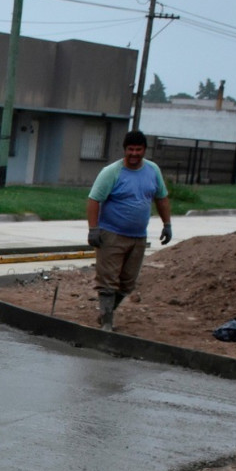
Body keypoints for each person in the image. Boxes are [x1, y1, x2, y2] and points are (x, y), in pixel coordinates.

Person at [86, 129, 172, 331]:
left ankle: (106, 312)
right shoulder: (112, 172)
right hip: (111, 234)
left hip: (138, 237)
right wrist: (93, 229)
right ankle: (107, 323)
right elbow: (94, 200)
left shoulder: (152, 170)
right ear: (125, 150)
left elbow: (161, 198)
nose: (134, 154)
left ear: (144, 150)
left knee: (127, 283)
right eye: (130, 149)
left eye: (138, 149)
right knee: (108, 281)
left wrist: (167, 224)